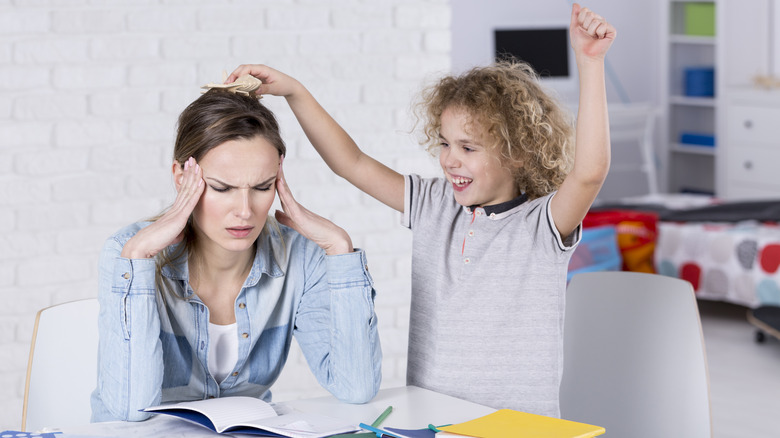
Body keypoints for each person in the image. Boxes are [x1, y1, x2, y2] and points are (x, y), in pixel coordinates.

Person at [226, 3, 615, 418]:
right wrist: (294, 92)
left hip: (519, 427)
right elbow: (351, 163)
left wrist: (590, 63)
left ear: (517, 153)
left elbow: (589, 174)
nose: (450, 160)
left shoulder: (541, 225)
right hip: (432, 422)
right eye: (445, 143)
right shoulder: (435, 204)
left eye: (468, 147)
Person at [90, 89, 382, 422]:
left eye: (262, 187)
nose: (245, 212)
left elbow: (356, 387)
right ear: (181, 178)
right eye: (222, 188)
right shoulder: (128, 252)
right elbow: (130, 409)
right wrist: (139, 257)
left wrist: (340, 249)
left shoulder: (301, 257)